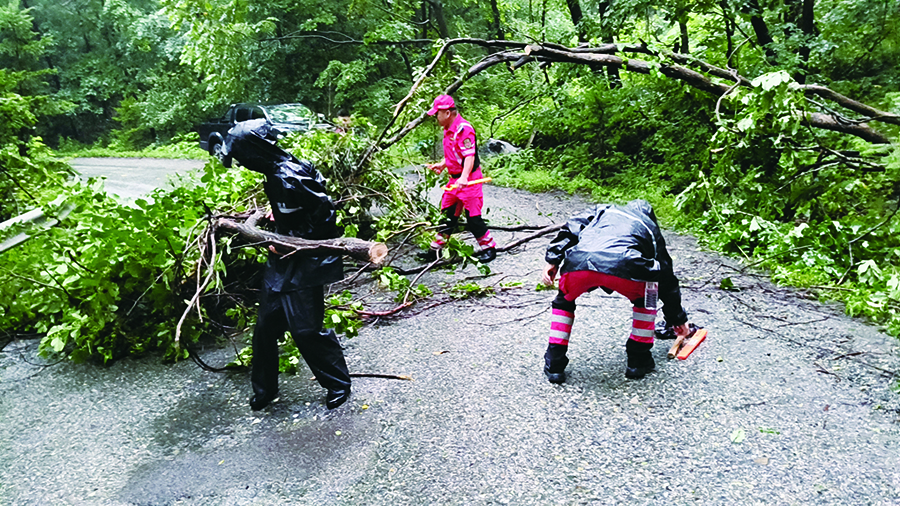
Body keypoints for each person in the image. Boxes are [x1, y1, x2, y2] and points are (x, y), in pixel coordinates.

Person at [221, 119, 352, 410]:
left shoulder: (288, 175)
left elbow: (325, 214)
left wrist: (294, 242)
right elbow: (297, 203)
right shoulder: (275, 171)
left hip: (304, 261)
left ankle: (339, 384)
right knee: (265, 327)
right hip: (279, 263)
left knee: (306, 330)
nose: (242, 164)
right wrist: (278, 215)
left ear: (254, 152)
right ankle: (265, 389)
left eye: (243, 157)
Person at [540, 199, 691, 383]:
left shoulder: (601, 210)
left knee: (564, 300)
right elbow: (665, 275)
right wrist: (677, 319)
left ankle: (555, 362)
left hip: (581, 263)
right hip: (627, 268)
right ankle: (638, 359)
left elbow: (571, 228)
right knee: (648, 296)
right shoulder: (649, 226)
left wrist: (553, 260)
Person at [420, 94, 496, 263]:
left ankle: (489, 249)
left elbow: (469, 156)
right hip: (454, 180)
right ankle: (435, 250)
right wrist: (442, 164)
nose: (435, 117)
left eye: (437, 114)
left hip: (469, 181)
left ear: (447, 113)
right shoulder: (448, 129)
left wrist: (463, 178)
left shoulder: (463, 129)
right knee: (447, 216)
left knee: (473, 218)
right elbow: (455, 154)